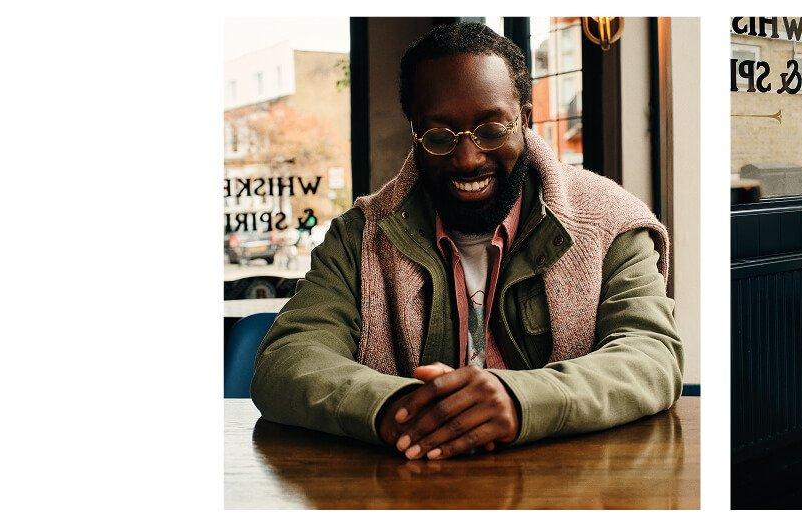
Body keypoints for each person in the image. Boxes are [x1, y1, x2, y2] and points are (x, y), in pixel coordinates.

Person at [252, 22, 682, 461]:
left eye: (492, 130)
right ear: (414, 133)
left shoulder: (611, 222)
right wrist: (396, 406)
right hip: (409, 485)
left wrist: (520, 399)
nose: (468, 159)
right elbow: (286, 358)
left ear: (525, 120)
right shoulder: (359, 237)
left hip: (568, 485)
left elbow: (651, 356)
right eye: (439, 137)